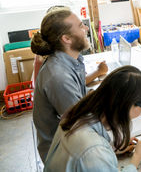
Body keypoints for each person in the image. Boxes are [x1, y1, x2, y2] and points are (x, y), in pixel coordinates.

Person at [44, 65, 141, 171]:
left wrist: (110, 149)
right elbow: (92, 153)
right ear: (128, 105)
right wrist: (137, 158)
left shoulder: (79, 112)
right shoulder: (94, 150)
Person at [31, 9, 107, 161]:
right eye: (80, 26)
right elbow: (80, 122)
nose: (86, 29)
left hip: (72, 138)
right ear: (66, 38)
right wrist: (114, 144)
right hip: (62, 154)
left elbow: (79, 99)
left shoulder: (71, 61)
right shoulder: (58, 76)